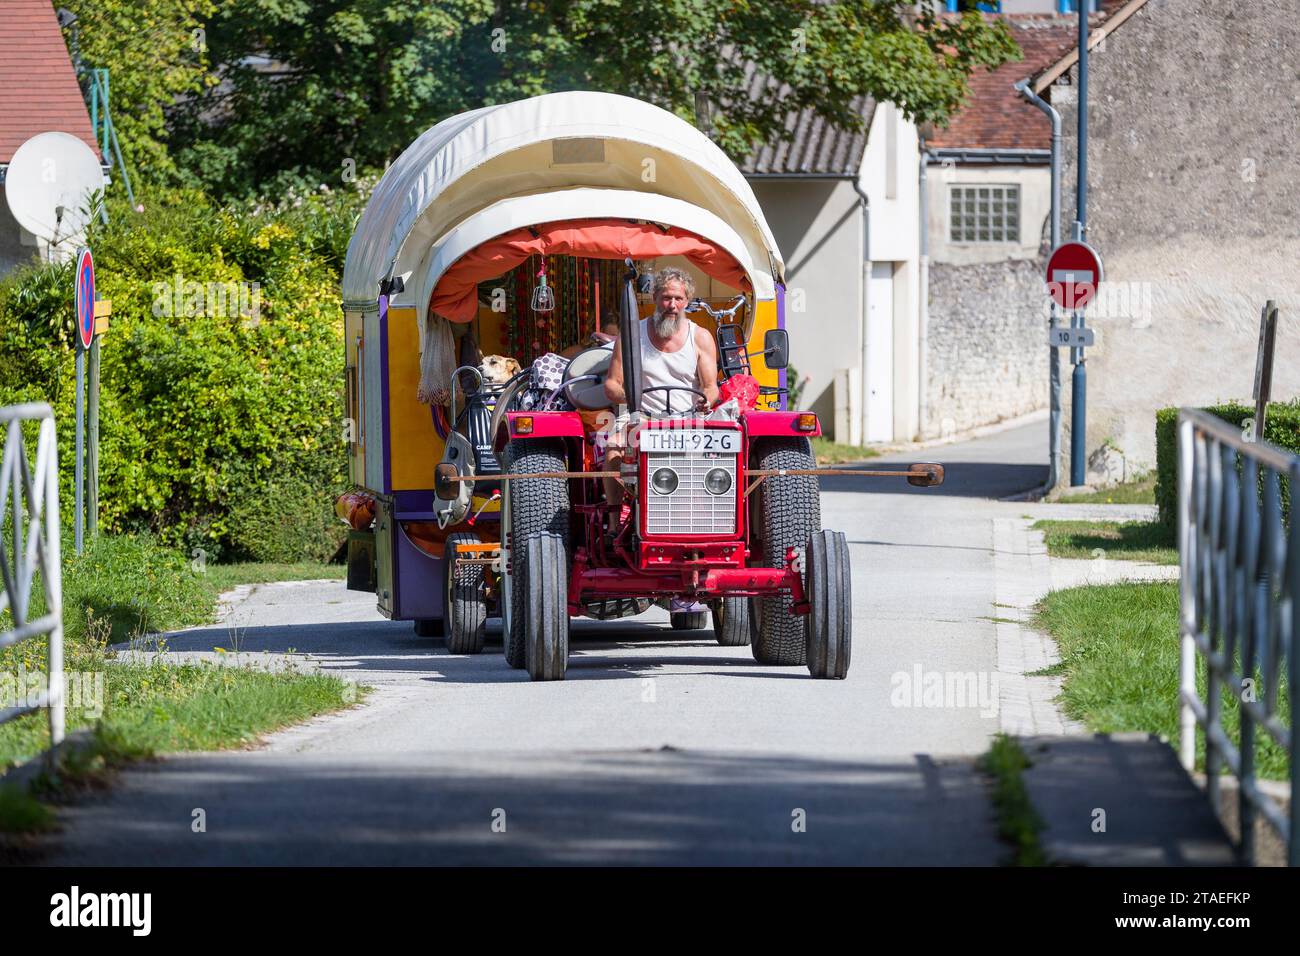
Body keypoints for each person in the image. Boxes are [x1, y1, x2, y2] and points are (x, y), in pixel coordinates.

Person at [601, 267, 720, 509]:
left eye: (678, 298)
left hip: (687, 419)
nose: (672, 305)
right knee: (613, 446)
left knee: (723, 454)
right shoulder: (633, 334)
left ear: (687, 301)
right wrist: (630, 397)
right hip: (642, 416)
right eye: (667, 298)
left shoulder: (701, 337)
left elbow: (711, 387)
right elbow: (612, 384)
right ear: (655, 298)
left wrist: (706, 400)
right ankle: (614, 521)